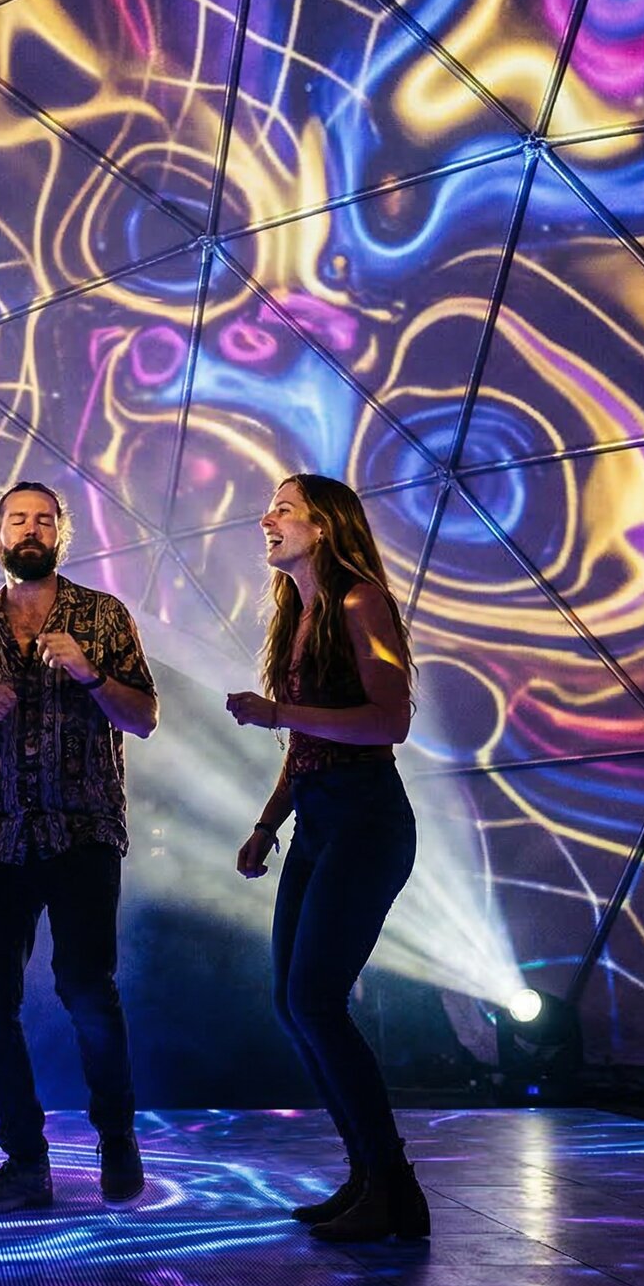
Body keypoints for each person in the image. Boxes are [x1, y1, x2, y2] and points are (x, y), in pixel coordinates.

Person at [0, 482, 159, 1214]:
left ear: (61, 534)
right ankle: (26, 1161)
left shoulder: (103, 615)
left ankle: (116, 1136)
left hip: (84, 830)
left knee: (86, 989)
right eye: (17, 519)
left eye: (43, 520)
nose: (30, 529)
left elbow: (146, 717)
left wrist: (92, 675)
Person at [225, 473, 428, 1243]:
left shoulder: (358, 602)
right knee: (291, 1000)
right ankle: (369, 1178)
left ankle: (394, 1187)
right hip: (316, 819)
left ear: (326, 526)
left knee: (315, 1000)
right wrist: (267, 824)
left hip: (367, 819)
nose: (266, 518)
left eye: (283, 509)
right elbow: (308, 743)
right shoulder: (300, 614)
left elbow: (387, 721)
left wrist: (277, 711)